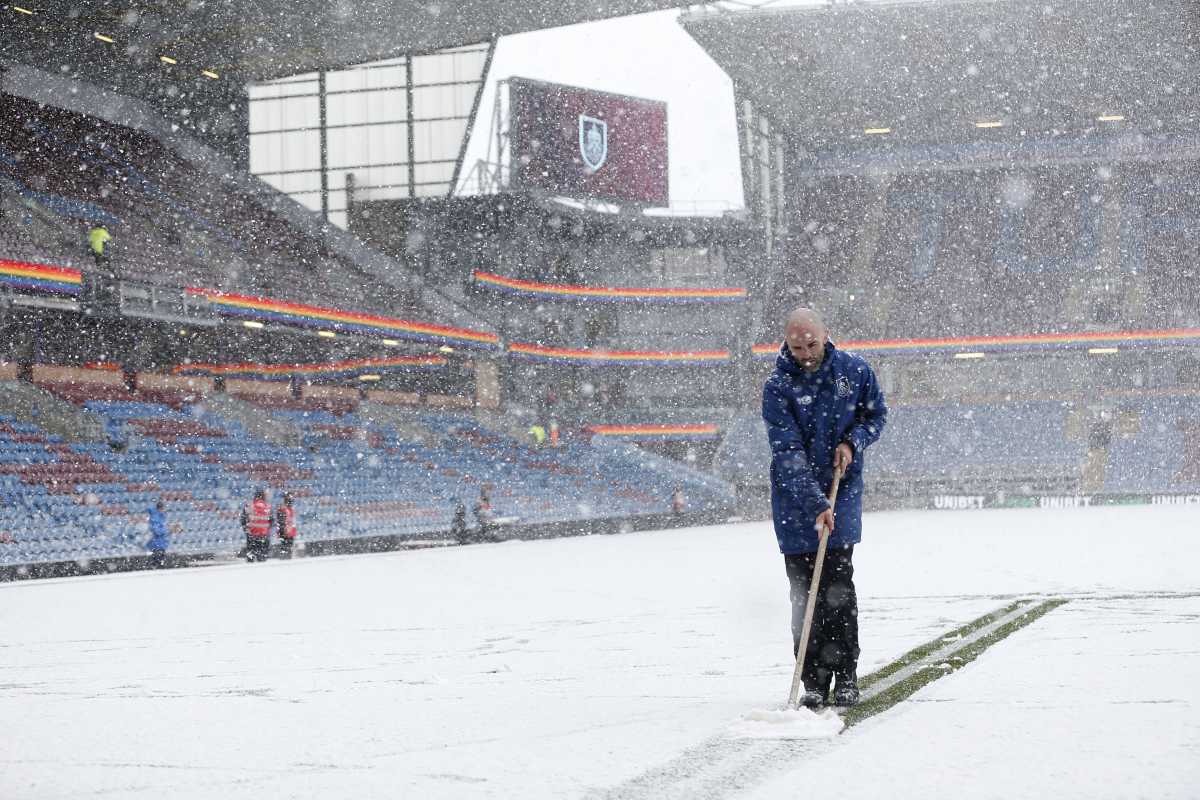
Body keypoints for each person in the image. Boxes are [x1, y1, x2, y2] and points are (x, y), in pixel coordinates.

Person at [762, 307, 887, 708]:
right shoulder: (778, 386)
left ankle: (846, 674)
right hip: (795, 504)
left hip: (841, 490)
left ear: (826, 334)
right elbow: (787, 452)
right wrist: (815, 504)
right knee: (804, 595)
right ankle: (814, 680)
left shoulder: (854, 372)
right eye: (797, 346)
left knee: (837, 591)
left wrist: (852, 443)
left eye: (812, 344)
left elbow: (875, 416)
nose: (805, 353)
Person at [240, 488, 272, 562]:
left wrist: (246, 529)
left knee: (251, 556)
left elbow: (243, 519)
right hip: (263, 534)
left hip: (252, 534)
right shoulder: (267, 506)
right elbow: (271, 521)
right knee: (262, 557)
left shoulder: (250, 505)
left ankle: (250, 566)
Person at [145, 501, 169, 569]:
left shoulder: (161, 516)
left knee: (160, 552)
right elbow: (156, 529)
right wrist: (164, 531)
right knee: (158, 552)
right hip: (157, 539)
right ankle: (156, 564)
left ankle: (158, 564)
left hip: (160, 539)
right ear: (160, 508)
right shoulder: (155, 517)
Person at [276, 492, 298, 559]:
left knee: (288, 551)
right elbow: (281, 521)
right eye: (289, 499)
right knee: (285, 551)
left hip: (290, 533)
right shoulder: (283, 509)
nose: (291, 501)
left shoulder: (290, 509)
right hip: (285, 533)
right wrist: (282, 532)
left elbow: (292, 522)